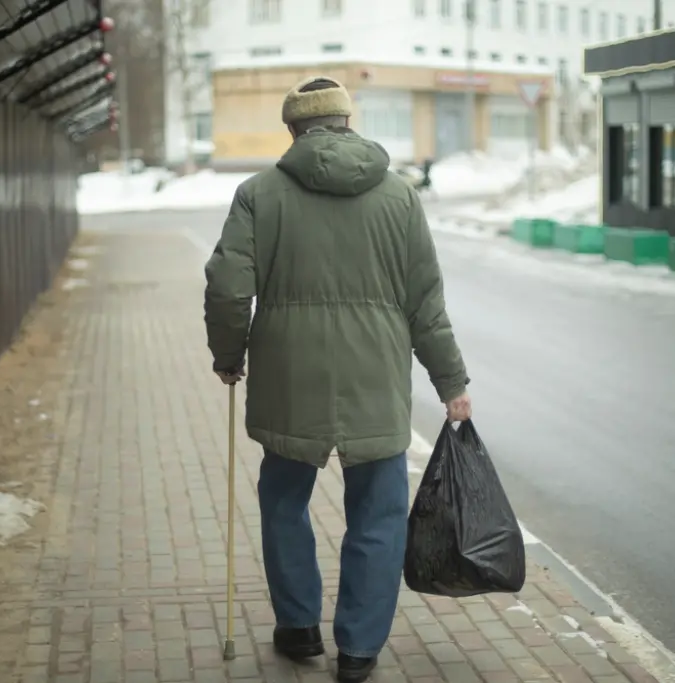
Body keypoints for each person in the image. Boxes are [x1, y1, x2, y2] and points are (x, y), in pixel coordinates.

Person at [203, 75, 471, 683]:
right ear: (349, 123)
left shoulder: (258, 193)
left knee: (283, 503)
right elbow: (425, 303)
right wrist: (450, 382)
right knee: (377, 516)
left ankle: (299, 629)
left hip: (288, 379)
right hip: (375, 380)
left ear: (293, 129)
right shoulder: (400, 197)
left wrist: (229, 354)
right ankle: (358, 650)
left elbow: (227, 287)